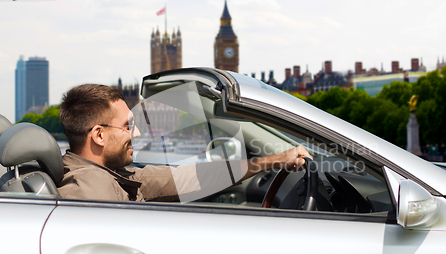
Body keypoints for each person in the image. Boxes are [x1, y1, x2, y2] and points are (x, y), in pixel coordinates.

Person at [57, 84, 312, 202]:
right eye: (126, 126)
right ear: (99, 135)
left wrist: (273, 161)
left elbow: (188, 178)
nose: (135, 135)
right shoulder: (89, 189)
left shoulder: (113, 175)